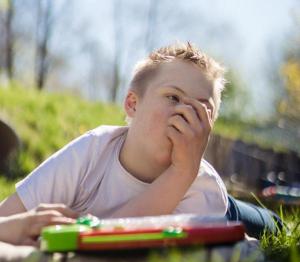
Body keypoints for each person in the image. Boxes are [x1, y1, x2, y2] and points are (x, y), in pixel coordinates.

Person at [0, 42, 282, 238]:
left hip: (223, 209)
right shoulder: (93, 150)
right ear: (132, 104)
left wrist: (183, 172)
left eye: (201, 109)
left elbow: (121, 249)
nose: (185, 114)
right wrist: (19, 227)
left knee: (273, 228)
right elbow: (6, 217)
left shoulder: (201, 186)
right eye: (173, 97)